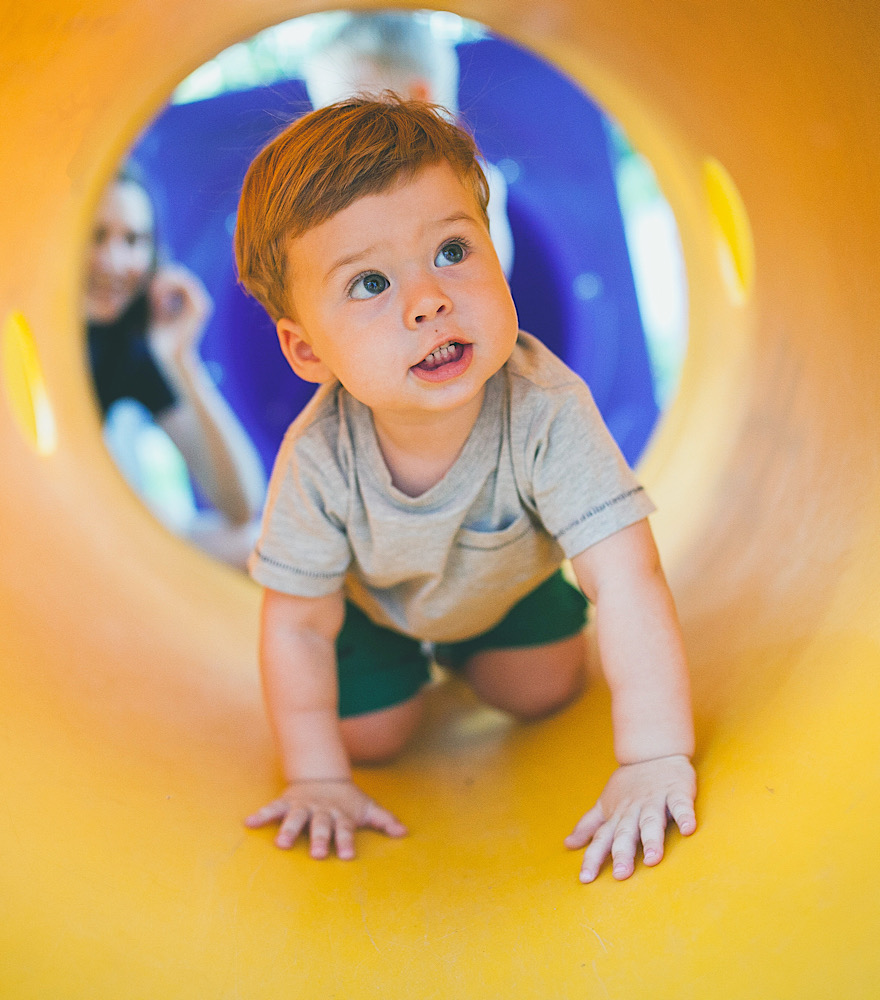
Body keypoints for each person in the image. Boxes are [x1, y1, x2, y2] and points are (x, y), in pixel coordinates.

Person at [235, 97, 696, 882]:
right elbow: (298, 629)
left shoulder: (546, 405)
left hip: (505, 589)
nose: (428, 299)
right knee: (373, 738)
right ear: (306, 350)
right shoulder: (317, 458)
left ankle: (479, 644)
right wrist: (317, 777)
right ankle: (404, 666)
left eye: (452, 251)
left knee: (547, 690)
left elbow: (626, 576)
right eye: (371, 282)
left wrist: (655, 755)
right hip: (372, 608)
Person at [85, 168, 266, 568]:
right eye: (95, 236)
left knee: (257, 548)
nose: (114, 262)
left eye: (133, 240)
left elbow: (241, 507)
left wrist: (181, 359)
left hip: (101, 540)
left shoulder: (128, 348)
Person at [302, 10, 514, 277]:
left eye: (353, 115)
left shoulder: (472, 186)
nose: (335, 135)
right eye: (326, 118)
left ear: (418, 101)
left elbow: (490, 286)